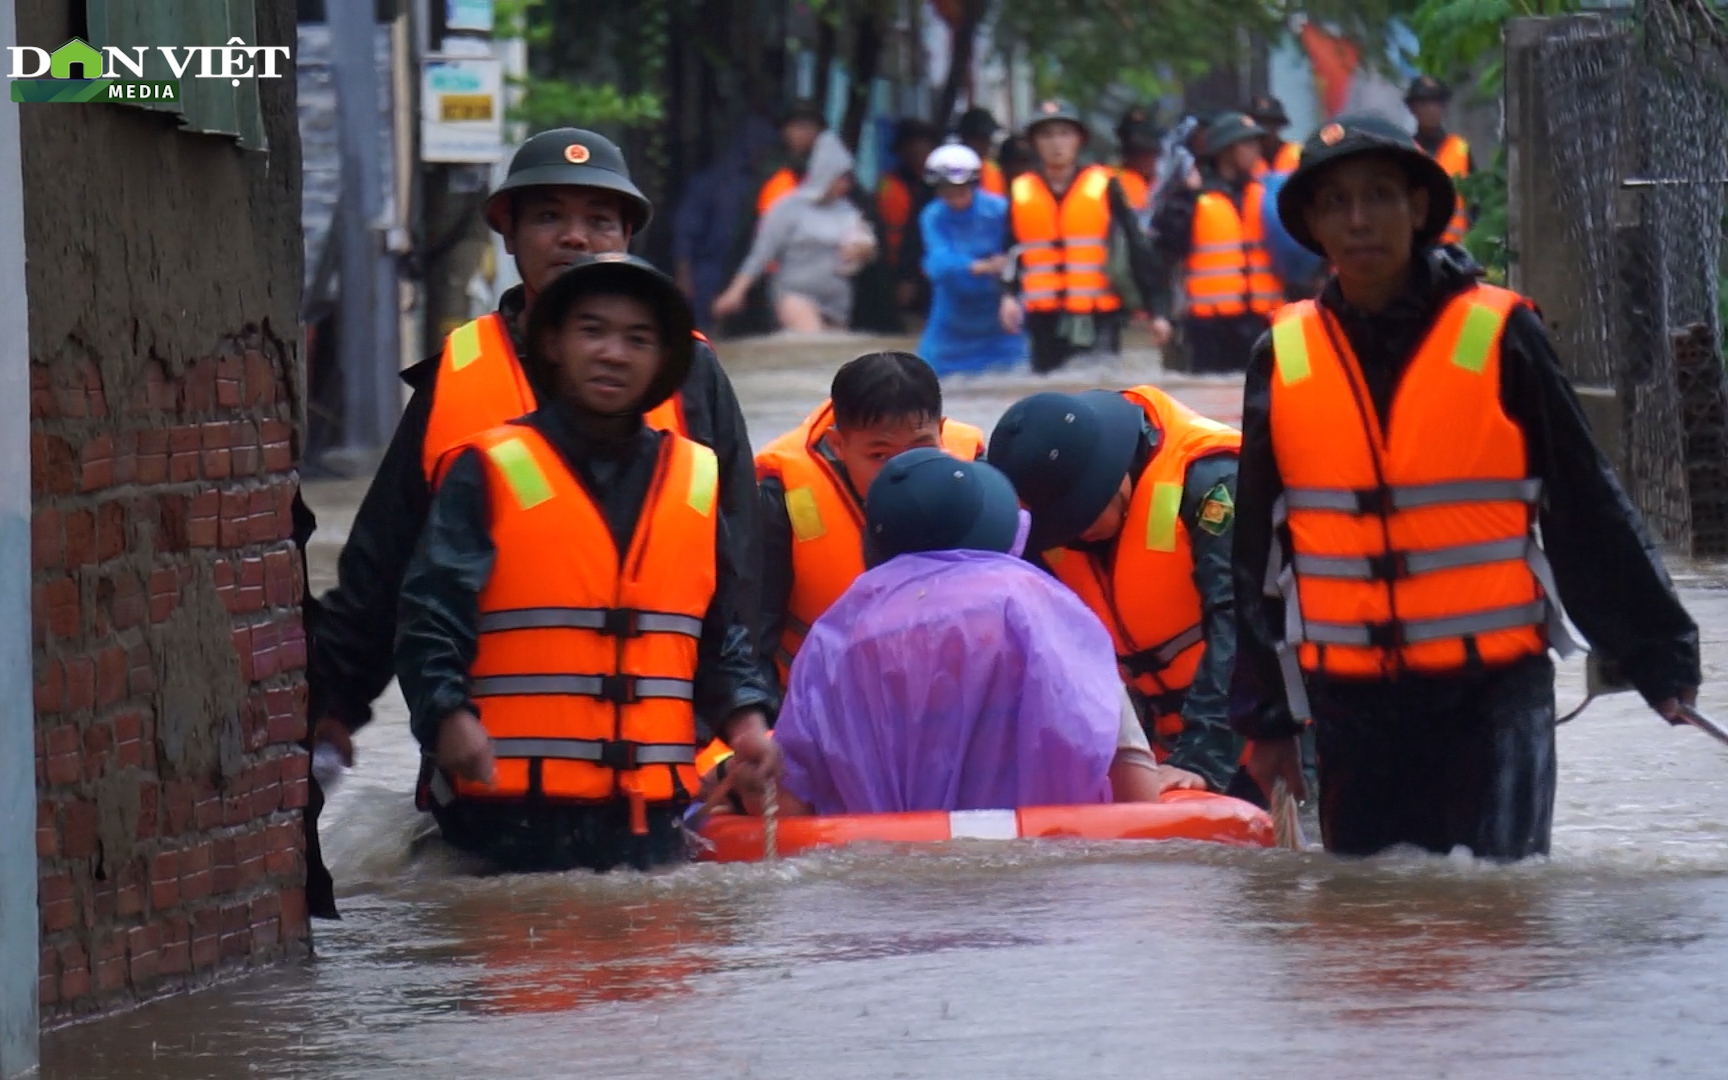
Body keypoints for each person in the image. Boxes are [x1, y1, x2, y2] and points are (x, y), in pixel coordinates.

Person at [304, 129, 759, 908]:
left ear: (626, 238)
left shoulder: (692, 373)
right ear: (508, 234)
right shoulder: (458, 383)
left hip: (658, 784)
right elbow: (389, 576)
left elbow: (733, 583)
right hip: (492, 780)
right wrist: (335, 709)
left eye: (602, 221)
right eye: (549, 215)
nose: (576, 236)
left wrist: (743, 726)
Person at [1231, 115, 1701, 859]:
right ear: (1314, 225)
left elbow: (1584, 501)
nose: (1360, 220)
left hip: (1492, 696)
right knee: (1367, 932)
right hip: (1351, 704)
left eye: (1381, 195)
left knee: (1498, 916)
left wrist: (1657, 653)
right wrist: (1267, 719)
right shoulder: (1281, 354)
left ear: (1419, 208)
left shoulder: (1503, 332)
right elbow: (1257, 551)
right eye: (1338, 202)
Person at [395, 253, 778, 872]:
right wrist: (447, 716)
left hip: (648, 826)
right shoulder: (488, 468)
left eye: (637, 339)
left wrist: (747, 722)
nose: (613, 354)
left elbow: (720, 634)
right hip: (504, 820)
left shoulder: (696, 479)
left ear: (665, 360)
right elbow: (429, 614)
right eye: (592, 331)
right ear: (553, 344)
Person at [771, 448, 1165, 816]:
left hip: (894, 877)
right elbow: (1134, 784)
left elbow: (791, 801)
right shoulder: (1044, 610)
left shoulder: (838, 637)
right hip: (1045, 873)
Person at [988, 387, 1244, 796]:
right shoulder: (1043, 515)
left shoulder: (1209, 481)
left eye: (1084, 514)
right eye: (1061, 525)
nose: (1075, 533)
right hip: (1157, 751)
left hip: (1253, 743)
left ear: (1114, 471)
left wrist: (1203, 758)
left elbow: (1241, 621)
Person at [756, 351, 985, 688]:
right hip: (821, 708)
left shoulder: (977, 473)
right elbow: (749, 643)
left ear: (940, 432)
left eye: (921, 448)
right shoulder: (779, 497)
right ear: (839, 445)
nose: (904, 470)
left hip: (944, 703)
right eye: (880, 456)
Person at [1001, 99, 1159, 373]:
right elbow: (1011, 251)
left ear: (1079, 140)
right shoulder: (1021, 189)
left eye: (1064, 134)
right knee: (1048, 395)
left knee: (1099, 389)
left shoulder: (1105, 184)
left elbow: (1137, 246)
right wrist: (1007, 296)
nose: (1056, 144)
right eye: (1047, 135)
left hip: (1099, 314)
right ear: (1035, 142)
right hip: (1043, 317)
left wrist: (1158, 311)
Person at [1149, 111, 1282, 374]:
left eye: (1256, 143)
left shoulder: (1267, 195)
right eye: (1247, 144)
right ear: (1225, 150)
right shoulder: (1191, 198)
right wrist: (1162, 314)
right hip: (1209, 326)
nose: (1255, 151)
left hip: (1267, 321)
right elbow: (1165, 257)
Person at [714, 131, 876, 332]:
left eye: (849, 178)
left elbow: (865, 244)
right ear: (826, 173)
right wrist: (736, 292)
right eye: (841, 177)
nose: (847, 184)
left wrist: (863, 250)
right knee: (811, 343)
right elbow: (761, 254)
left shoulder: (848, 211)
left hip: (837, 301)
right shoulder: (788, 208)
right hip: (795, 294)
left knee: (833, 357)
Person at [916, 144, 1026, 375]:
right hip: (950, 329)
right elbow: (938, 263)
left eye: (961, 190)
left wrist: (1009, 286)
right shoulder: (933, 216)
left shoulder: (1000, 210)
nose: (955, 198)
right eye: (946, 191)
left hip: (1000, 324)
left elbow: (1019, 254)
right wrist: (982, 266)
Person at [672, 114, 779, 330]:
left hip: (754, 273)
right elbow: (686, 233)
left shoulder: (771, 180)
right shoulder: (711, 183)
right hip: (709, 271)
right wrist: (684, 278)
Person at [876, 118, 940, 311]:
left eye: (923, 149)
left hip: (930, 271)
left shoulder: (940, 188)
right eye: (911, 149)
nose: (917, 154)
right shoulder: (887, 184)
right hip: (892, 269)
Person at [1405, 76, 1473, 246]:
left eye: (1436, 103)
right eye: (1423, 104)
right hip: (1416, 247)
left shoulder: (1460, 149)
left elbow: (1476, 203)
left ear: (1444, 107)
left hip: (1455, 247)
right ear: (1413, 109)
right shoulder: (1405, 150)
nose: (1430, 110)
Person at [757, 99, 826, 218]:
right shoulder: (770, 168)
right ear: (785, 131)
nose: (804, 133)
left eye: (810, 127)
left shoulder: (831, 169)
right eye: (798, 126)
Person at [1113, 106, 1162, 229]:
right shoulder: (1116, 180)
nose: (1149, 161)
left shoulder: (1161, 183)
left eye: (1152, 155)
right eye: (1142, 155)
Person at [955, 106, 1007, 195]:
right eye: (978, 138)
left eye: (986, 138)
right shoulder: (952, 169)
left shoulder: (993, 170)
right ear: (964, 139)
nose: (984, 144)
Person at [1246, 95, 1302, 174]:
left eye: (1269, 123)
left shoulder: (1298, 155)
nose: (1263, 129)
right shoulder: (1245, 161)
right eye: (1258, 124)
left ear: (1279, 125)